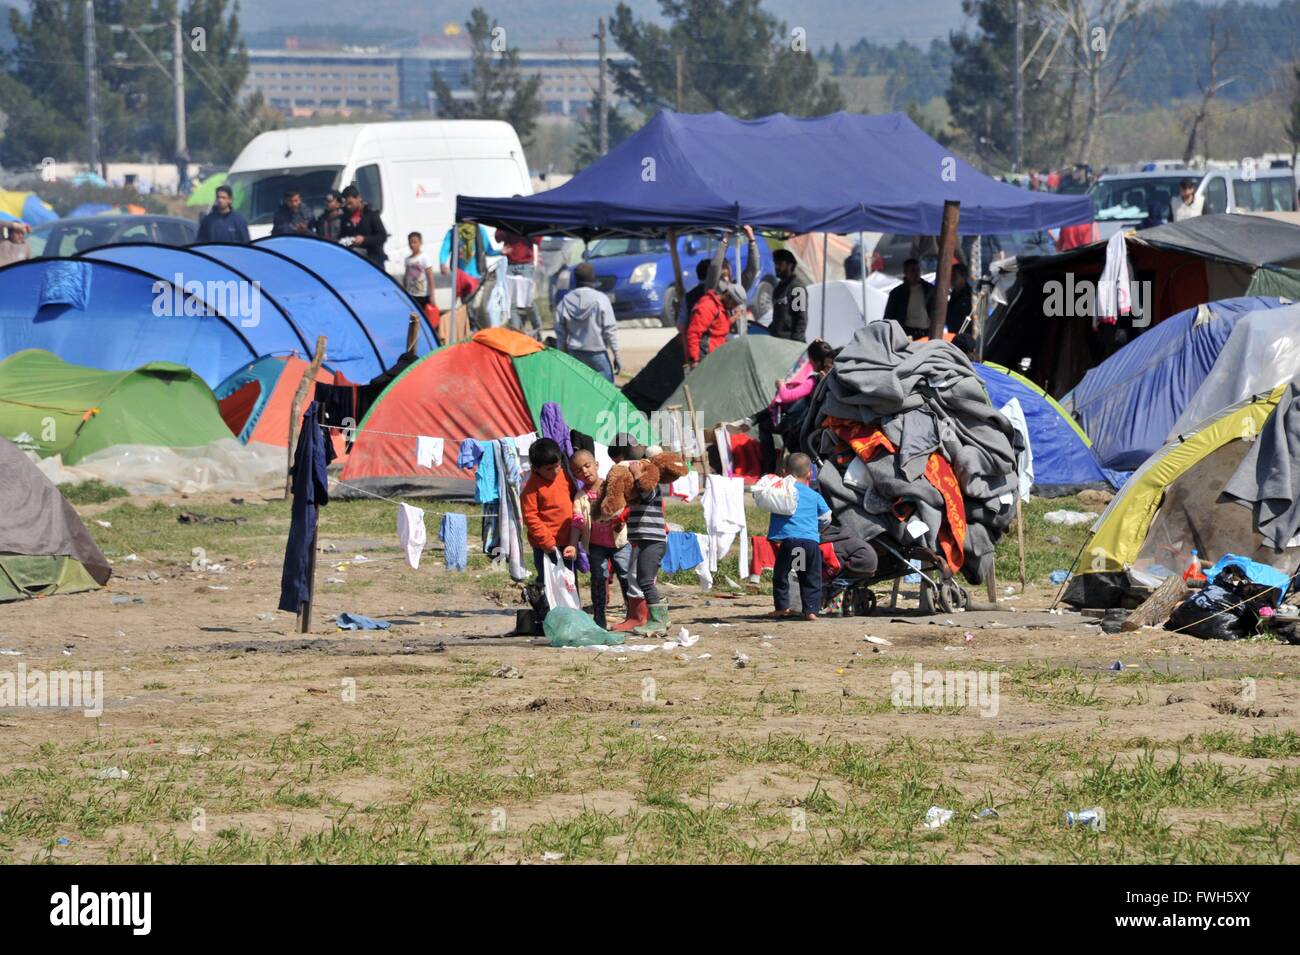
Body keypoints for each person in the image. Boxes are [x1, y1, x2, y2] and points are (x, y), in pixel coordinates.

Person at [569, 450, 639, 629]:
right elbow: (577, 521)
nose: (584, 471)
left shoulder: (611, 488)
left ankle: (633, 615)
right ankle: (599, 618)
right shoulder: (580, 497)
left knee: (626, 576)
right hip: (596, 546)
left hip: (619, 543)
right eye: (578, 470)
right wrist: (572, 544)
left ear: (597, 465)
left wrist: (622, 519)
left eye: (587, 465)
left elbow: (626, 505)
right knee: (598, 579)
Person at [768, 452, 830, 622]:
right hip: (809, 543)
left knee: (782, 575)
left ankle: (782, 607)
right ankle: (810, 611)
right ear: (810, 473)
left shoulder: (780, 493)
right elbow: (827, 517)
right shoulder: (814, 495)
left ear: (784, 471)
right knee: (808, 575)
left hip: (790, 542)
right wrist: (816, 529)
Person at [622, 455, 670, 637]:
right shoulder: (637, 489)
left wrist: (636, 474)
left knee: (646, 580)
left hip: (653, 540)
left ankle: (657, 621)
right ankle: (661, 618)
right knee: (643, 578)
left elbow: (646, 492)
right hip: (644, 540)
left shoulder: (651, 486)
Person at [677, 226, 759, 332]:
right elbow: (715, 266)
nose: (725, 269)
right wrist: (724, 242)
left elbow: (753, 269)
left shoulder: (736, 288)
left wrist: (752, 240)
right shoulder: (712, 289)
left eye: (726, 265)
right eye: (723, 265)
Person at [554, 262, 621, 382]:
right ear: (593, 278)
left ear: (575, 278)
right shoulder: (601, 299)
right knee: (607, 393)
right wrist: (616, 354)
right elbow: (609, 330)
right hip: (598, 354)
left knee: (580, 390)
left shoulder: (565, 300)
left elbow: (560, 333)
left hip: (575, 355)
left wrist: (563, 354)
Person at [520, 438, 576, 580]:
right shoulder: (531, 489)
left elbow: (574, 497)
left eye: (557, 465)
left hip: (568, 542)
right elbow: (530, 517)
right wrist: (547, 542)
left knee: (569, 582)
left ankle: (573, 604)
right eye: (549, 469)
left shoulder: (565, 475)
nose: (555, 471)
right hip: (545, 547)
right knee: (550, 583)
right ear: (536, 468)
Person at [685, 279, 745, 368]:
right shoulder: (708, 306)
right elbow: (693, 333)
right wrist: (695, 360)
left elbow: (718, 327)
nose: (734, 308)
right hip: (705, 358)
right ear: (727, 296)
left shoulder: (721, 308)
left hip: (716, 356)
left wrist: (734, 318)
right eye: (734, 304)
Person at [495, 228, 542, 335]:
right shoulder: (505, 219)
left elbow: (538, 240)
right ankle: (515, 332)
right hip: (509, 264)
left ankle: (538, 328)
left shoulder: (529, 218)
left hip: (526, 265)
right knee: (511, 302)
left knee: (528, 301)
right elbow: (498, 238)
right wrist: (507, 227)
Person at [882, 258, 935, 340]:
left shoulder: (929, 289)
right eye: (913, 270)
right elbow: (889, 316)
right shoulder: (897, 293)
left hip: (927, 332)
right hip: (907, 333)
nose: (916, 273)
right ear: (905, 273)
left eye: (918, 270)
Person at [338, 185, 387, 268]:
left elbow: (382, 236)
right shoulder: (345, 218)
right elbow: (342, 236)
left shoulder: (371, 214)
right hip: (354, 261)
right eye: (346, 204)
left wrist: (364, 239)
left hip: (373, 261)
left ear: (359, 198)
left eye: (351, 203)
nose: (348, 206)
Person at [768, 249, 807, 342]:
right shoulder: (779, 288)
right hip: (776, 340)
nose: (776, 267)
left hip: (790, 342)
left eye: (780, 264)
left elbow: (801, 319)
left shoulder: (797, 288)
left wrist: (796, 343)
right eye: (775, 263)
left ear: (790, 265)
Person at [403, 232, 436, 315]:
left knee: (425, 315)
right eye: (410, 242)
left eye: (415, 242)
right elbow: (406, 275)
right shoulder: (408, 259)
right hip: (412, 294)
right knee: (414, 316)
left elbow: (430, 277)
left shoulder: (424, 258)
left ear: (420, 243)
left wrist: (432, 295)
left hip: (423, 294)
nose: (412, 245)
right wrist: (405, 290)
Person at [945, 262, 972, 333]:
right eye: (951, 275)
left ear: (963, 277)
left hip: (964, 334)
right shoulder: (954, 293)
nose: (951, 278)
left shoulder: (970, 295)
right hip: (952, 332)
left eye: (954, 275)